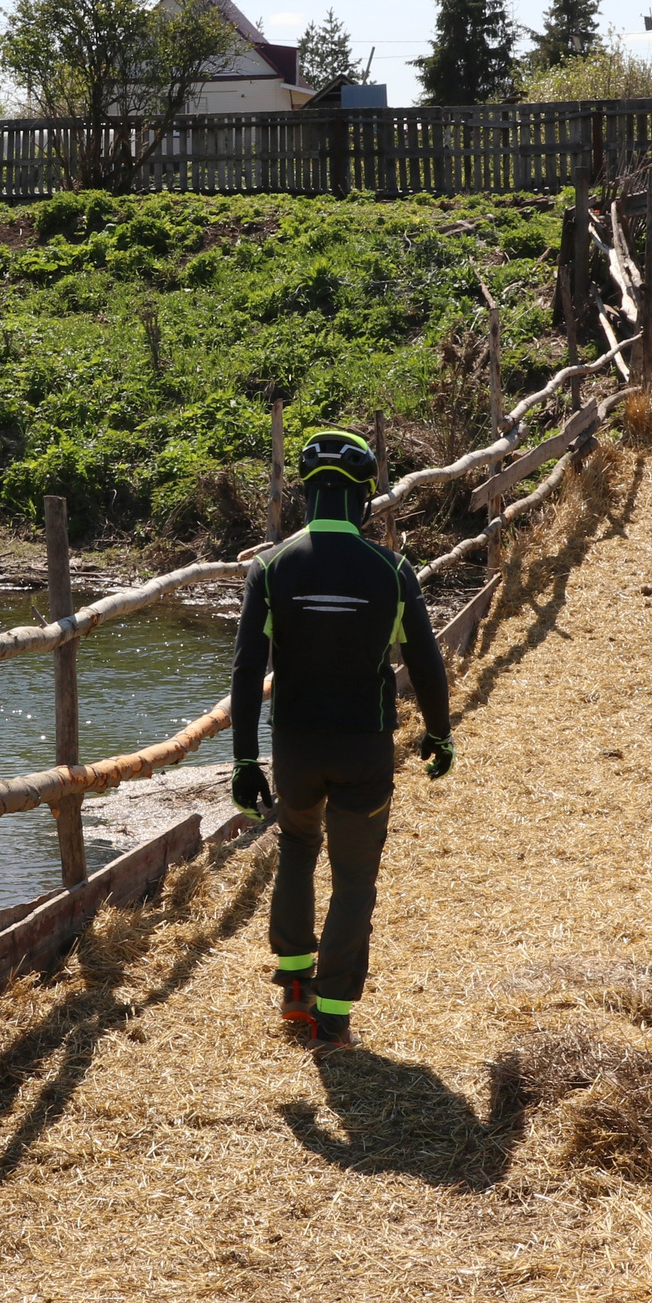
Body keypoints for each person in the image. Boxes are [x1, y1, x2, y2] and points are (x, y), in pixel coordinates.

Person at [228, 428, 454, 1051]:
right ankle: (332, 1020)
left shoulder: (270, 568)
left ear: (307, 497)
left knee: (298, 848)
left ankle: (294, 988)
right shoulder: (391, 569)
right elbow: (426, 663)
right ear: (363, 499)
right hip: (364, 747)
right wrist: (439, 733)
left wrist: (245, 761)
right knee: (355, 879)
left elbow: (248, 670)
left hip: (296, 746)